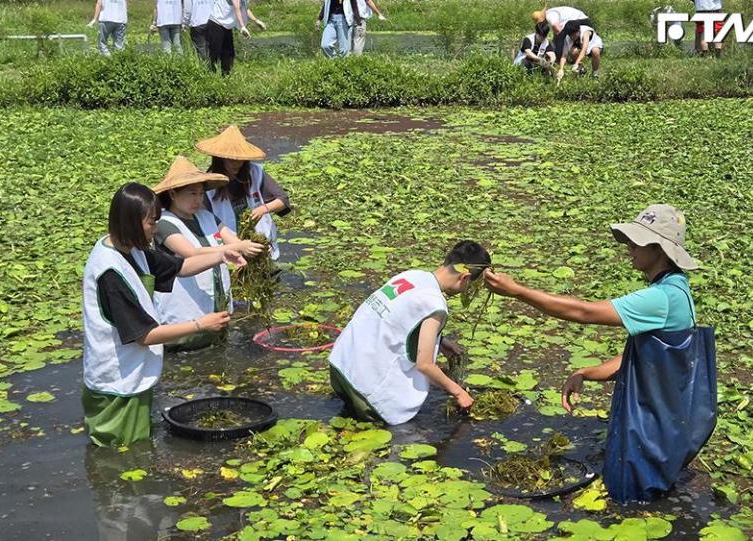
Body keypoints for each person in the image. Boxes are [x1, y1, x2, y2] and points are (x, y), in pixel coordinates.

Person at [484, 205, 716, 502]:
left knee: (632, 499)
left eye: (637, 242)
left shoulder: (662, 298)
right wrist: (586, 373)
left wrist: (518, 291)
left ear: (659, 248)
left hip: (651, 428)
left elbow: (583, 311)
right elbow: (649, 359)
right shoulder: (677, 288)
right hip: (664, 423)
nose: (629, 248)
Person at [82, 183, 241, 447]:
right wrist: (200, 324)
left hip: (136, 374)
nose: (155, 229)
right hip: (115, 384)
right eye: (151, 223)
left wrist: (222, 254)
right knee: (118, 456)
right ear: (131, 222)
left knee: (138, 451)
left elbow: (181, 266)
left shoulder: (134, 249)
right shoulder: (109, 271)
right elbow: (144, 335)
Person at [328, 241, 490, 425]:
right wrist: (459, 393)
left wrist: (441, 341)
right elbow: (425, 365)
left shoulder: (412, 276)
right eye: (470, 287)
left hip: (340, 366)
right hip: (364, 388)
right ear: (465, 278)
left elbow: (397, 319)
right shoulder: (435, 304)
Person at [152, 156, 265, 351]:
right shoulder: (164, 223)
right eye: (191, 193)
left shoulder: (207, 216)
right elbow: (190, 252)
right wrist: (235, 249)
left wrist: (253, 247)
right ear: (172, 193)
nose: (198, 200)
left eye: (201, 194)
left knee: (216, 355)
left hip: (214, 310)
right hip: (182, 315)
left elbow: (232, 240)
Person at [194, 125, 290, 260]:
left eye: (240, 160)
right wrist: (238, 246)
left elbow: (283, 200)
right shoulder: (209, 184)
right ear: (220, 158)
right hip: (229, 247)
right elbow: (209, 221)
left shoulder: (254, 173)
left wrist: (263, 209)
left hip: (259, 244)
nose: (236, 164)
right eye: (231, 159)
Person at [205, 0, 266, 75]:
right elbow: (236, 7)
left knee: (229, 53)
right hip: (216, 23)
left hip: (226, 26)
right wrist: (242, 26)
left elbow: (245, 9)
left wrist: (256, 21)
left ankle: (226, 76)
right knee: (215, 52)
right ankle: (211, 75)